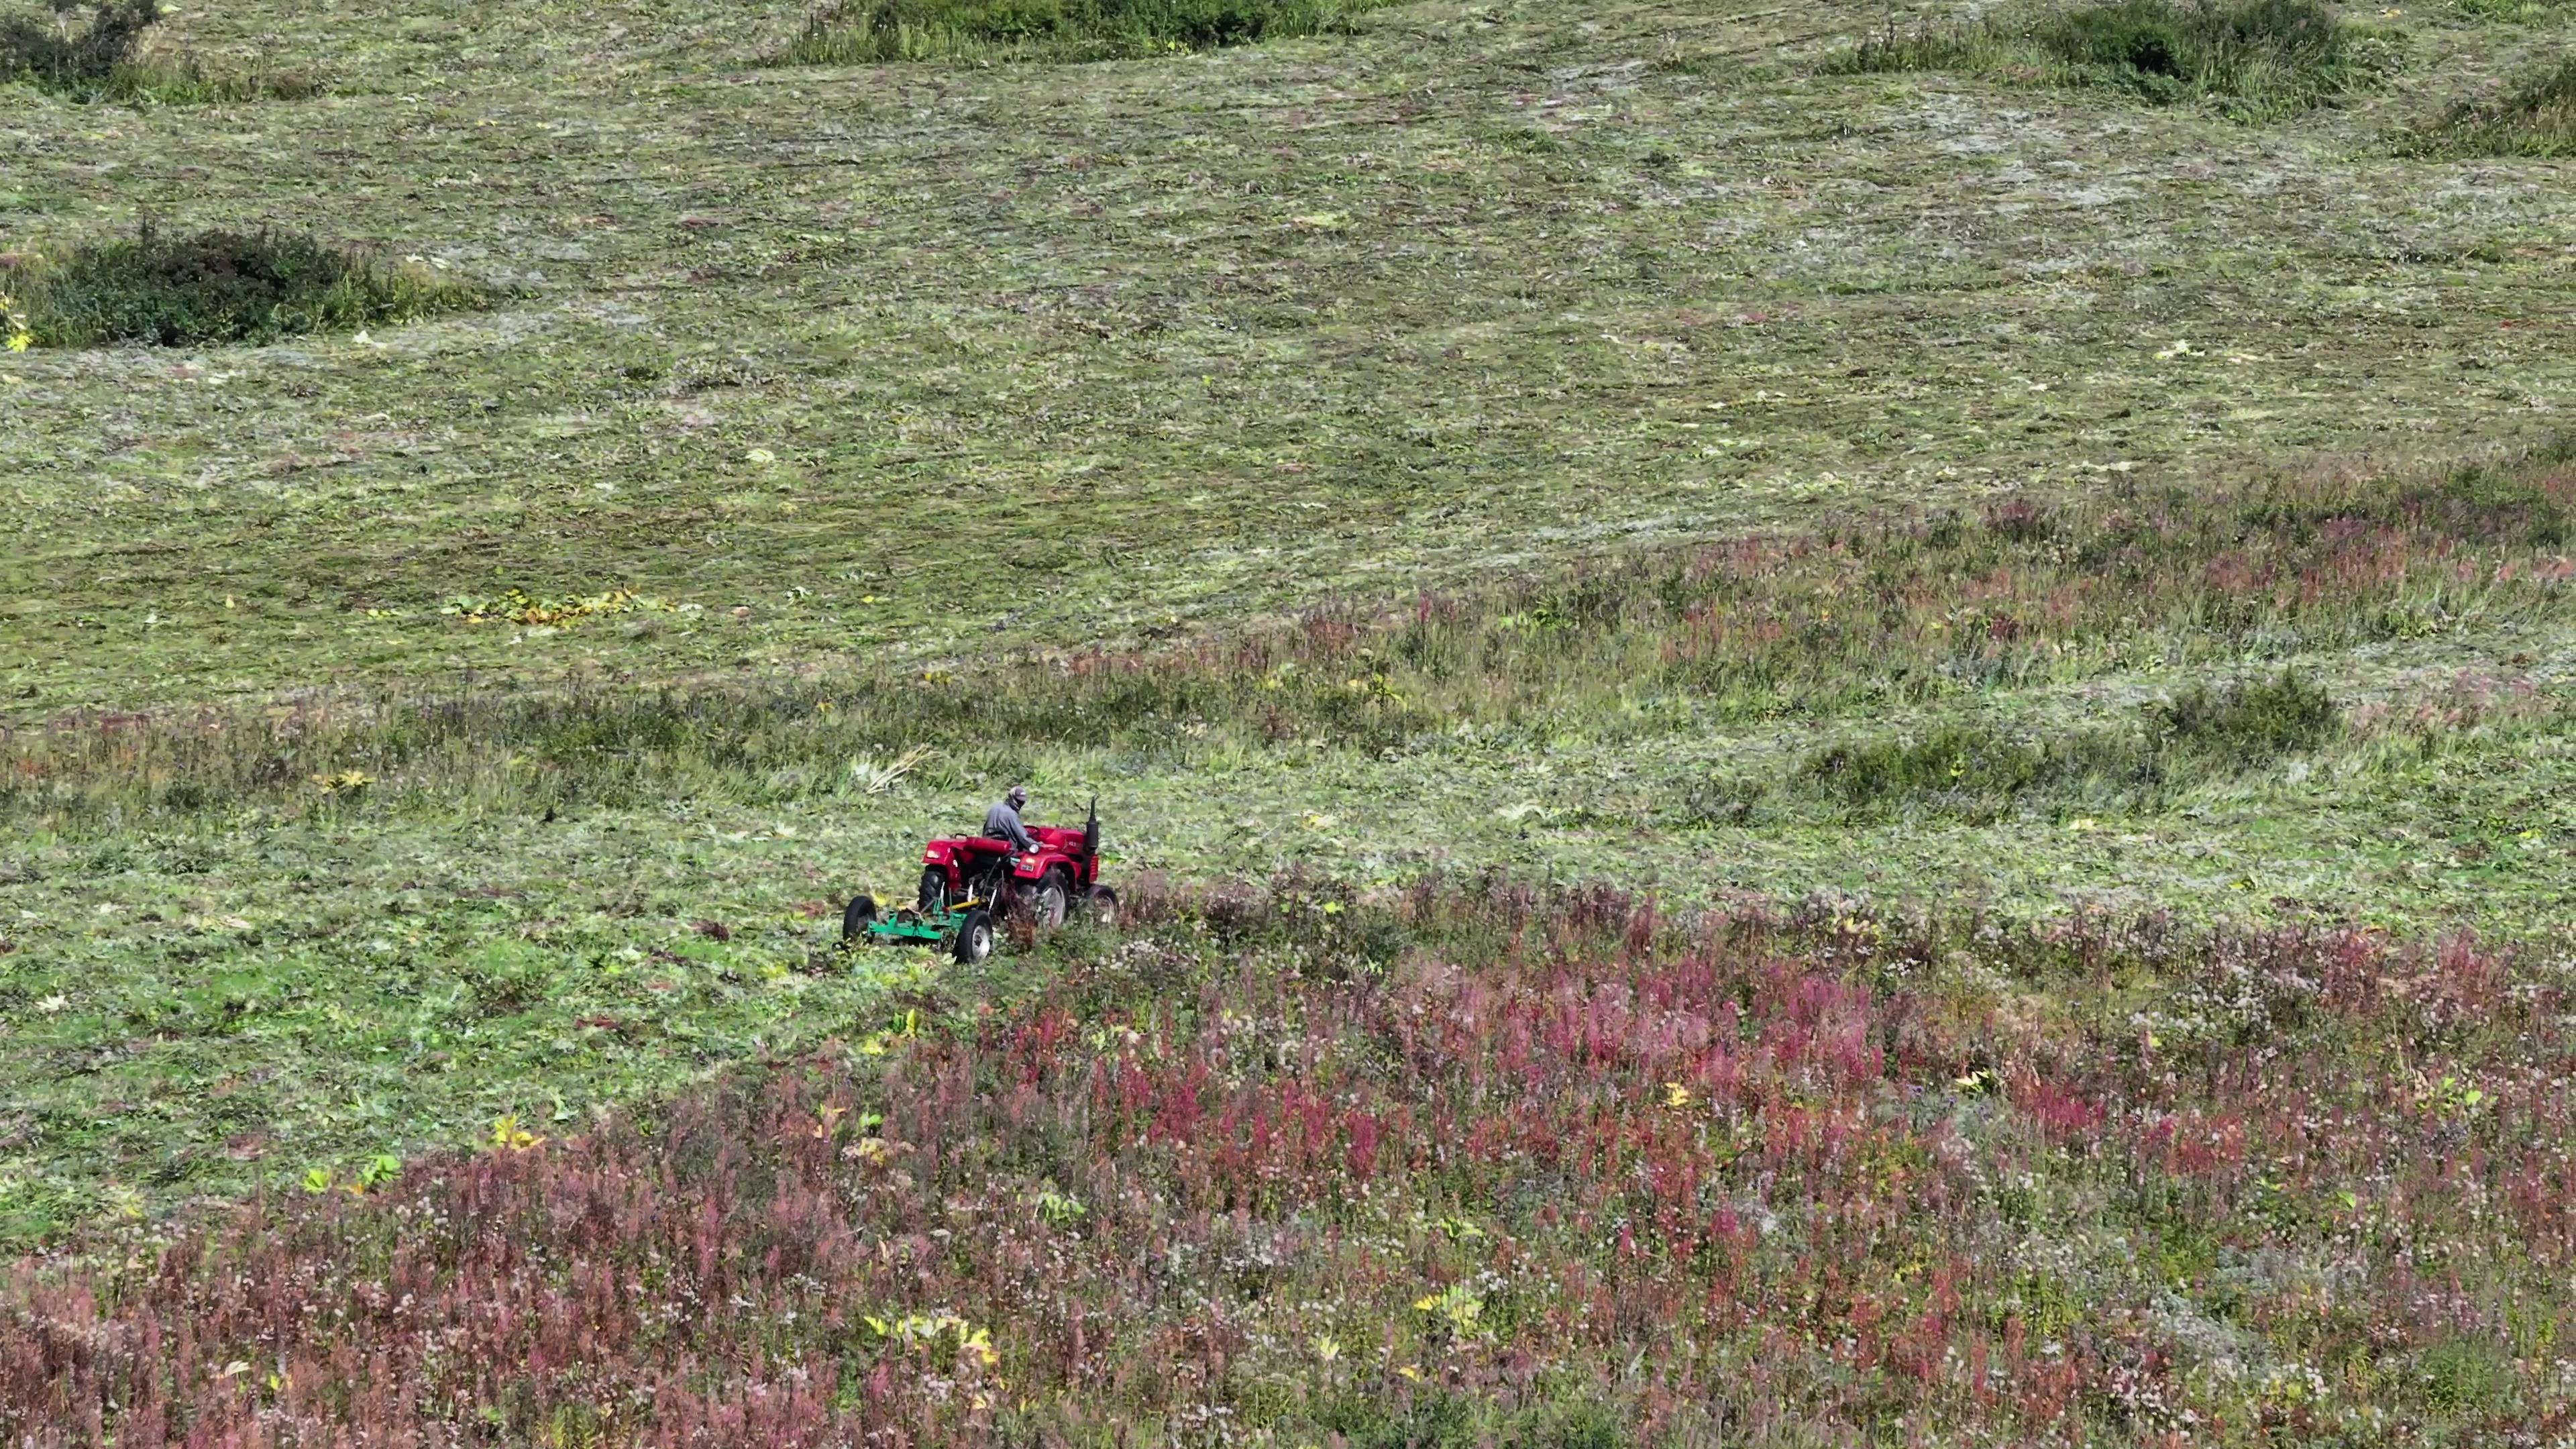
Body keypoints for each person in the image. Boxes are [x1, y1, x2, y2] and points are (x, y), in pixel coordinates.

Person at [983, 785, 1038, 853]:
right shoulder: (1011, 814)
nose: (1020, 804)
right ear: (1011, 797)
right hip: (1005, 850)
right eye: (1018, 801)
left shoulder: (995, 807)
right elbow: (1022, 837)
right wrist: (1036, 845)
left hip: (989, 843)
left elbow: (986, 827)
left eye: (1022, 802)